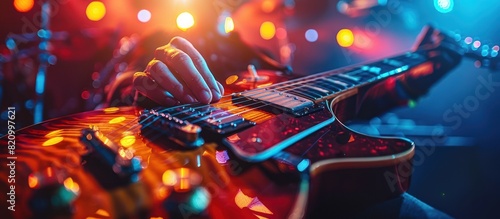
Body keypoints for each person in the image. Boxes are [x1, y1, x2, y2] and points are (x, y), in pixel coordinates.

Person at [104, 2, 462, 218]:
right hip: (166, 167)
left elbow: (355, 102)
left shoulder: (284, 67)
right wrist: (144, 91)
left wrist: (415, 78)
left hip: (295, 182)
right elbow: (123, 85)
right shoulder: (178, 34)